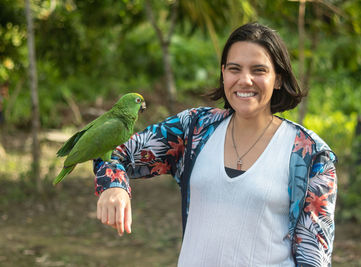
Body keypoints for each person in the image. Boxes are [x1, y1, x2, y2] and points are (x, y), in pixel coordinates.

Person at [94, 22, 337, 266]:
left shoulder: (310, 154)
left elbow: (314, 256)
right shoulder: (195, 128)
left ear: (278, 79)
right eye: (235, 69)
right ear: (223, 73)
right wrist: (114, 185)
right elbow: (113, 153)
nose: (245, 80)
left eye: (259, 70)